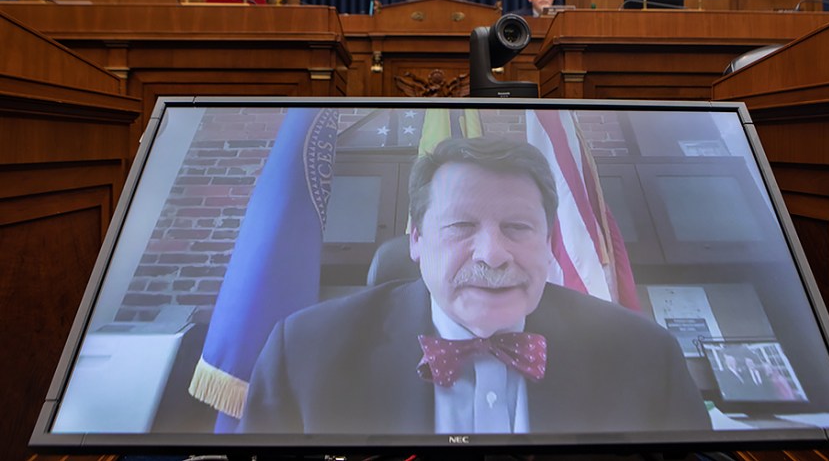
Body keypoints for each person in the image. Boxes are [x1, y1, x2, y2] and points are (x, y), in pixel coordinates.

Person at [237, 136, 711, 435]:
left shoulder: (646, 356)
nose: (492, 254)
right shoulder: (303, 352)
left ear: (548, 242)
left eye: (519, 227)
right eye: (461, 226)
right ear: (416, 240)